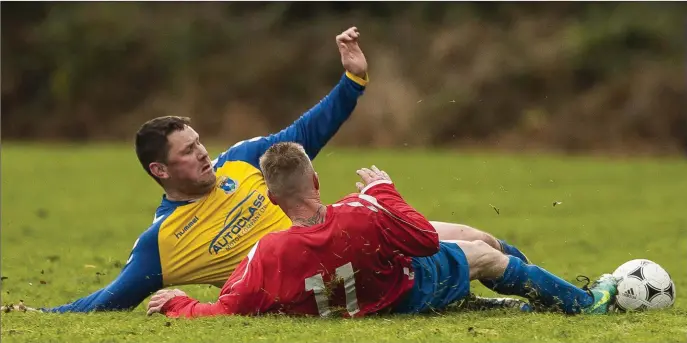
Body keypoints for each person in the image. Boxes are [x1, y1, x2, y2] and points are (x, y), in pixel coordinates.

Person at [38, 26, 528, 314]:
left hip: (338, 237)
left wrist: (352, 80)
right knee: (470, 254)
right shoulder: (162, 242)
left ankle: (535, 287)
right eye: (188, 152)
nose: (204, 153)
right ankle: (542, 297)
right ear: (159, 170)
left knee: (478, 236)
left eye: (199, 142)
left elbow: (307, 132)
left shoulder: (242, 160)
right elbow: (109, 298)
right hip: (312, 282)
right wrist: (42, 314)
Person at [146, 142, 618, 318]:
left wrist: (179, 302)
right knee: (488, 252)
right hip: (402, 290)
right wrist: (387, 190)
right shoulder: (362, 212)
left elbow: (226, 307)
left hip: (357, 291)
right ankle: (586, 303)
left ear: (271, 198)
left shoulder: (268, 252)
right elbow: (424, 242)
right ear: (315, 180)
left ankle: (513, 294)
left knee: (475, 236)